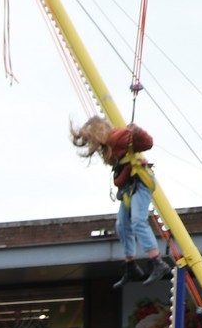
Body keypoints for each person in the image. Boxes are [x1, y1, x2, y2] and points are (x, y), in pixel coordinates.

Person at [71, 116, 169, 287]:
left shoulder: (118, 137)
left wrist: (136, 132)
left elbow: (147, 143)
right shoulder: (110, 147)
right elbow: (119, 177)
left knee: (138, 220)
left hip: (140, 183)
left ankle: (156, 261)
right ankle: (130, 265)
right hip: (129, 188)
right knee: (122, 225)